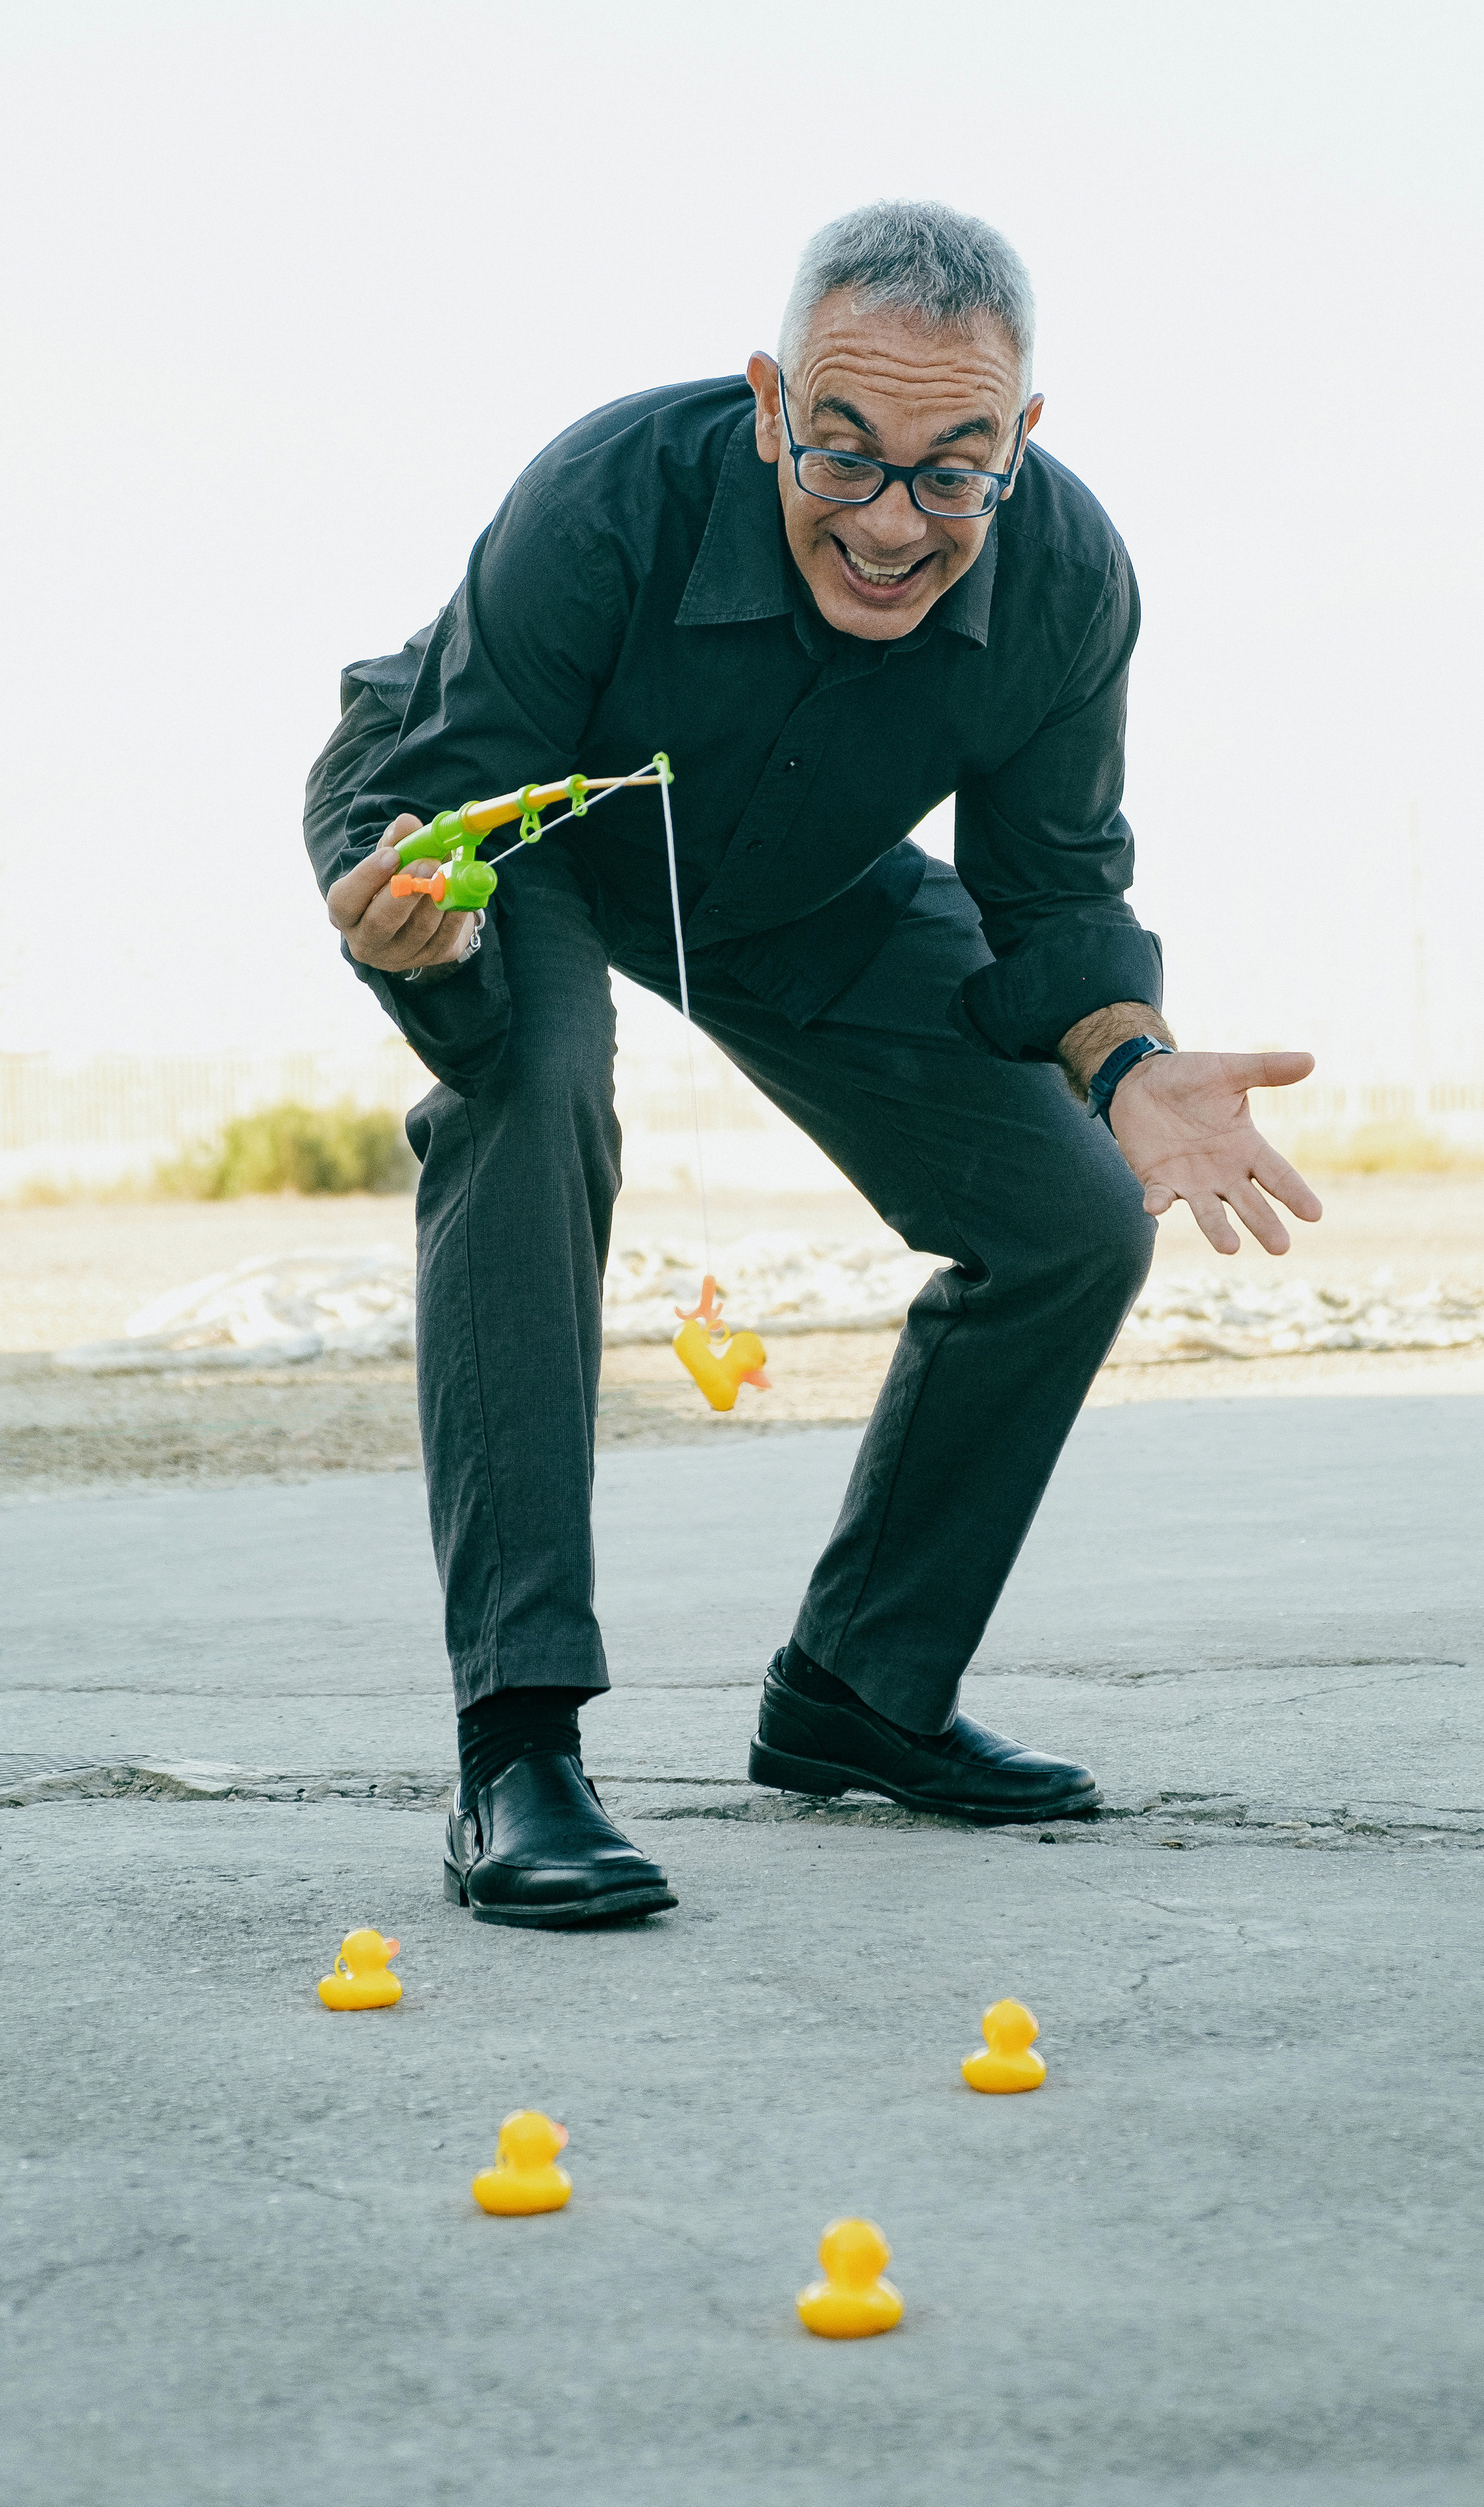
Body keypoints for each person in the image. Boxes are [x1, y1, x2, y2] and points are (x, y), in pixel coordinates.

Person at [304, 199, 1321, 1932]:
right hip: (491, 829)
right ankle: (520, 1749)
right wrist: (438, 938)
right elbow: (464, 788)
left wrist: (1126, 1058)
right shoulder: (608, 494)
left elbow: (1052, 891)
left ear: (1023, 441)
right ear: (772, 399)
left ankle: (861, 1691)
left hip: (793, 884)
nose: (893, 523)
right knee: (534, 1093)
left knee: (1076, 1219)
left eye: (954, 469)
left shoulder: (1068, 576)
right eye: (843, 456)